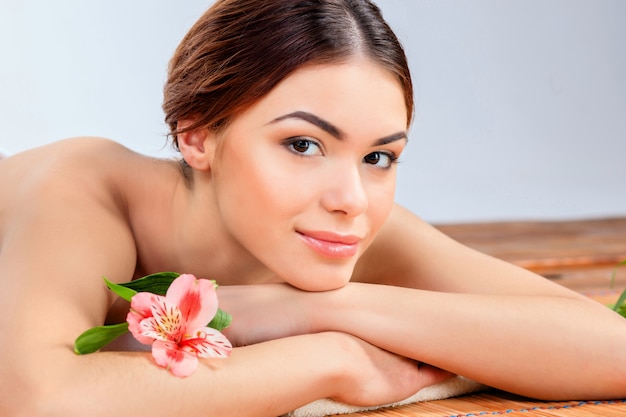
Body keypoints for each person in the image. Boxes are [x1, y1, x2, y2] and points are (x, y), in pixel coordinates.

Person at [1, 0, 625, 416]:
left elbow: (611, 349)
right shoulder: (80, 188)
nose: (350, 198)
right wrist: (332, 359)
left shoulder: (342, 224)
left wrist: (324, 306)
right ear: (196, 135)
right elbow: (34, 397)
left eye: (379, 157)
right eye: (303, 145)